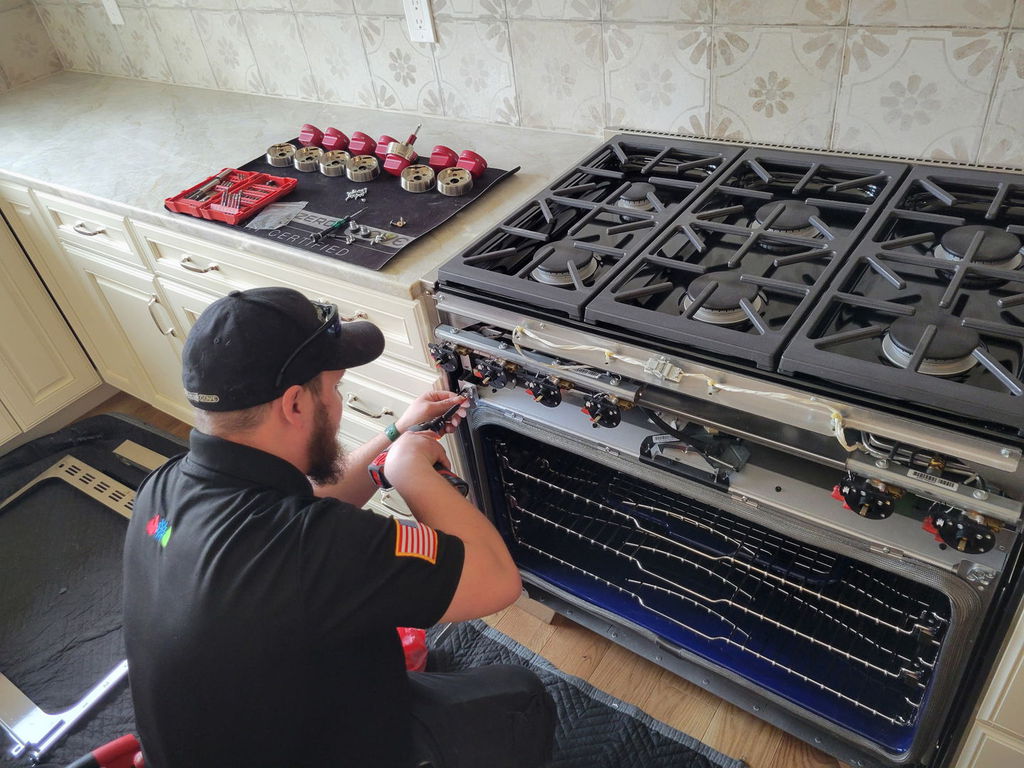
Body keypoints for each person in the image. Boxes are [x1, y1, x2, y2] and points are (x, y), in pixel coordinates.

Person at [122, 287, 556, 768]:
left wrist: (397, 433)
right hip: (327, 747)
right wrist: (409, 470)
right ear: (294, 405)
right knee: (521, 695)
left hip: (219, 737)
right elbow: (496, 581)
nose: (339, 401)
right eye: (335, 389)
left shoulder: (163, 488)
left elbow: (307, 506)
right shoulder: (312, 547)